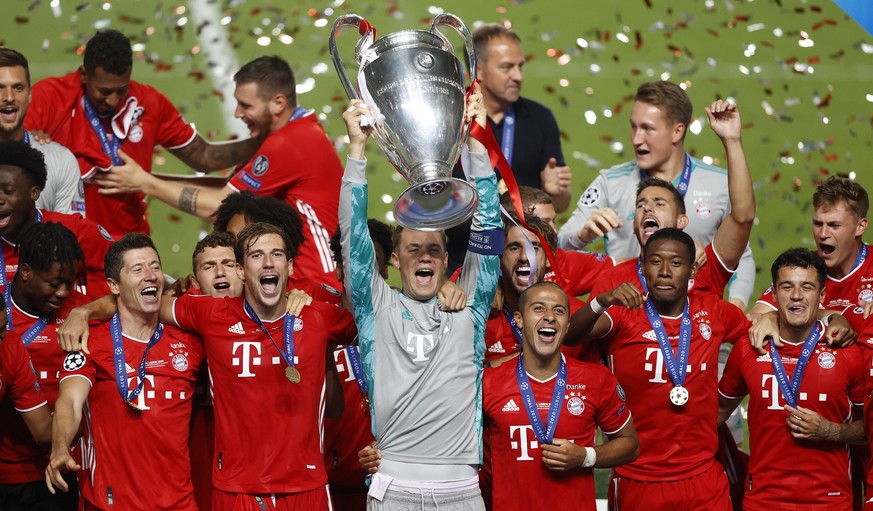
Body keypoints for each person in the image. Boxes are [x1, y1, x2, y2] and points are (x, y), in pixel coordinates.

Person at [340, 84, 500, 509]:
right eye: (414, 249)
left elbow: (488, 232)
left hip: (461, 494)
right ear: (394, 259)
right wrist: (357, 151)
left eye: (434, 249)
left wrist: (475, 143)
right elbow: (353, 240)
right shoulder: (377, 309)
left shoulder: (471, 307)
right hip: (394, 492)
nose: (424, 256)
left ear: (448, 260)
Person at [90, 56, 343, 292]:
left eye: (246, 105)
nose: (237, 113)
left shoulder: (289, 143)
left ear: (278, 103)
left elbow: (220, 206)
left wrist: (146, 182)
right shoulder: (295, 132)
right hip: (305, 280)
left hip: (316, 285)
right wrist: (145, 179)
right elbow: (226, 187)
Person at [25, 29, 264, 237]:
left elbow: (202, 156)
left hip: (130, 242)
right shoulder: (50, 98)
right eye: (104, 91)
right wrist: (29, 142)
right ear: (84, 75)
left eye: (121, 90)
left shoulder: (149, 102)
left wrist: (264, 143)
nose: (113, 100)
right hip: (68, 240)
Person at [575, 228, 750, 511]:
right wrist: (600, 301)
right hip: (637, 479)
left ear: (693, 269)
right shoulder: (623, 312)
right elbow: (571, 335)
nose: (665, 272)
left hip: (702, 479)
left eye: (676, 263)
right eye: (655, 262)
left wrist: (727, 396)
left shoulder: (713, 311)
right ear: (643, 266)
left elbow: (752, 340)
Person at [558, 82, 755, 309]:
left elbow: (741, 255)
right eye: (634, 127)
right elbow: (561, 249)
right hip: (625, 325)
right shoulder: (610, 183)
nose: (636, 139)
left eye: (647, 129)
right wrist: (582, 235)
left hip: (694, 330)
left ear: (677, 131)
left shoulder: (720, 184)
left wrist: (736, 305)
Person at [46, 234, 204, 510]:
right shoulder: (89, 341)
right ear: (114, 286)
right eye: (138, 269)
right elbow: (69, 401)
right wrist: (60, 446)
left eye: (155, 266)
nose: (151, 276)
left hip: (178, 504)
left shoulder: (188, 341)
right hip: (108, 504)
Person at [719, 248, 866, 510]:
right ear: (773, 294)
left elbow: (870, 429)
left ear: (821, 296)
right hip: (763, 502)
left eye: (807, 287)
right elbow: (716, 412)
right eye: (787, 287)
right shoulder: (749, 348)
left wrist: (830, 431)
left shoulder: (846, 351)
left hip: (829, 503)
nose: (796, 295)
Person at [483, 282, 638, 510]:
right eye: (538, 308)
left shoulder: (596, 379)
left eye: (559, 311)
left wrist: (585, 457)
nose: (550, 317)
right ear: (519, 319)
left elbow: (630, 445)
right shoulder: (489, 382)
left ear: (567, 326)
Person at [446, 23, 570, 273]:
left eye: (520, 66)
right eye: (507, 67)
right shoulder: (450, 118)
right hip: (463, 264)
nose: (518, 76)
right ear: (478, 70)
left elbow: (561, 203)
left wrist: (555, 192)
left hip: (526, 266)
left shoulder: (540, 118)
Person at [0, 222, 90, 510]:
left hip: (58, 469)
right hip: (6, 471)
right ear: (25, 272)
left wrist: (85, 310)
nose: (64, 292)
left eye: (70, 282)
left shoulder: (80, 309)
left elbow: (122, 301)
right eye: (54, 283)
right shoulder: (1, 315)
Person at [323, 220, 392, 510]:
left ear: (387, 268)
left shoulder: (409, 322)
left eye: (372, 260)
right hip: (336, 486)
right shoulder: (317, 323)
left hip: (398, 483)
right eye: (353, 260)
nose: (363, 271)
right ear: (339, 269)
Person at [0, 141, 113, 299]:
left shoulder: (74, 231)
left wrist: (87, 311)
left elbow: (127, 277)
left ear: (34, 193)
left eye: (8, 191)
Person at [751, 176, 872, 315]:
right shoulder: (801, 268)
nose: (823, 233)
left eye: (834, 225)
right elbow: (755, 316)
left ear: (860, 227)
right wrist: (770, 318)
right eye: (818, 224)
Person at [211, 191, 341, 302]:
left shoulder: (310, 294)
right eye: (230, 238)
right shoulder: (214, 291)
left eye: (245, 238)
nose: (234, 247)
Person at [0, 48, 84, 215]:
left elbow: (67, 237)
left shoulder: (60, 162)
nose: (9, 97)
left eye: (18, 88)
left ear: (30, 95)